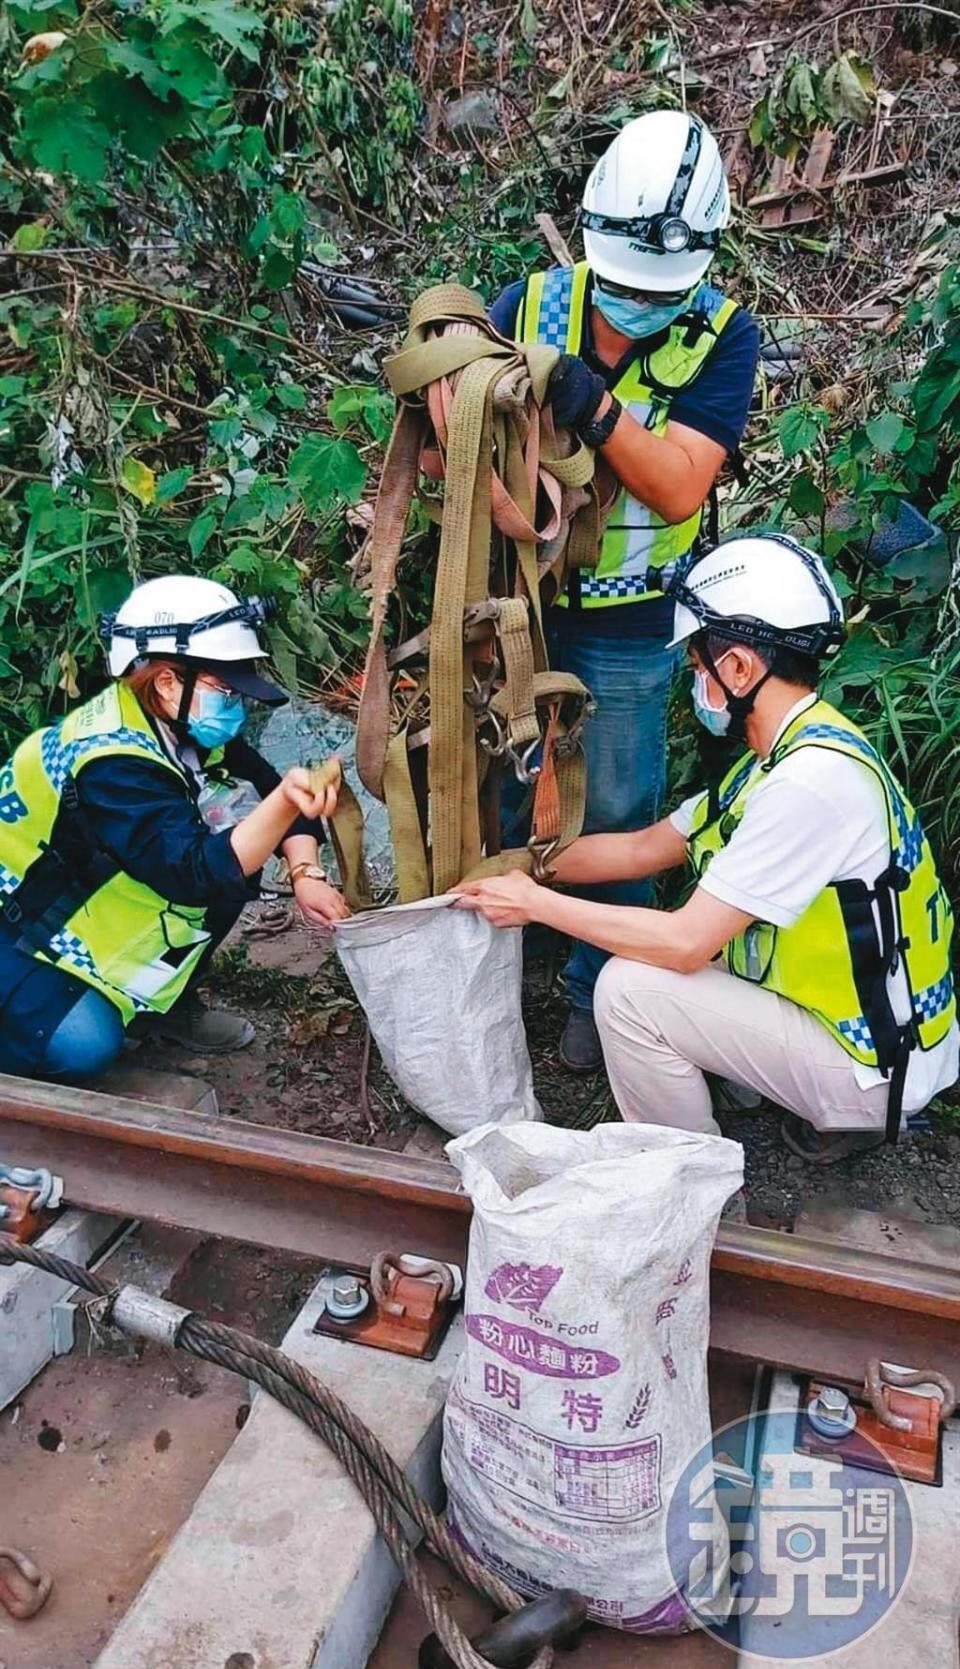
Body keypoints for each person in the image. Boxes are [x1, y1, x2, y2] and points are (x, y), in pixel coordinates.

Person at [458, 535, 959, 1159]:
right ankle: (763, 1091)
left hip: (874, 1066)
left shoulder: (807, 785)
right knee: (663, 966)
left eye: (699, 669)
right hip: (880, 1030)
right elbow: (642, 849)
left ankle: (688, 1176)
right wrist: (512, 869)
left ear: (741, 668)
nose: (696, 685)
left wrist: (536, 905)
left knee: (630, 991)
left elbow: (685, 940)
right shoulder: (793, 750)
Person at [487, 108, 760, 1072]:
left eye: (662, 292)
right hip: (516, 602)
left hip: (634, 620)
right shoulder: (526, 304)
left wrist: (593, 409)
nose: (640, 305)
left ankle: (595, 989)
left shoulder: (724, 335)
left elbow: (683, 480)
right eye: (626, 287)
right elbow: (454, 444)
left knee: (616, 807)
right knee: (504, 783)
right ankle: (506, 945)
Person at [0, 575, 348, 1084]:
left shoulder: (180, 726)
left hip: (88, 905)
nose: (238, 704)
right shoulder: (112, 763)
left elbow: (270, 792)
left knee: (236, 850)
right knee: (84, 1045)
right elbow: (195, 872)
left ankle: (164, 1012)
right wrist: (282, 803)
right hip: (21, 928)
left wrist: (305, 872)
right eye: (226, 689)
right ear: (167, 681)